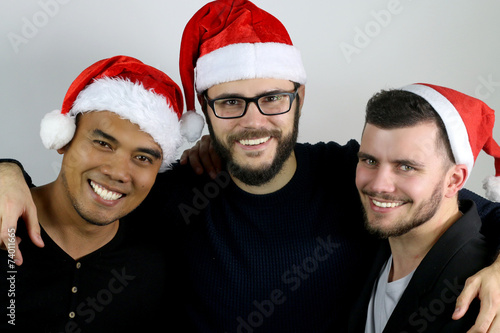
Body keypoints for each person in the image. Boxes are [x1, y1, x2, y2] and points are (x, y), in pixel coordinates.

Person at [1, 1, 500, 332]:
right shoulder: (175, 191)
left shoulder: (358, 175)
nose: (253, 121)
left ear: (300, 96)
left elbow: (464, 209)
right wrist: (8, 173)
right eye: (231, 103)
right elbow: (90, 196)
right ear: (207, 111)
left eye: (273, 98)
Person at [0, 55, 200, 332]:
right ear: (64, 139)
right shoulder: (4, 221)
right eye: (103, 143)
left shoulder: (154, 263)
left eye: (143, 158)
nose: (119, 172)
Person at [348, 83, 500, 332]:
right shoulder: (373, 244)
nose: (379, 185)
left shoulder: (482, 299)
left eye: (406, 167)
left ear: (454, 180)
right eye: (370, 160)